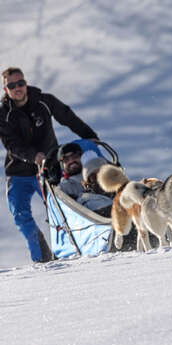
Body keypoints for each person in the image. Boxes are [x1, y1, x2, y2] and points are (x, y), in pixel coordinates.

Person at [0, 67, 99, 263]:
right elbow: (12, 144)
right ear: (5, 89)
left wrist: (89, 136)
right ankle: (42, 257)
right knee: (20, 215)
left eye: (21, 83)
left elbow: (68, 117)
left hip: (49, 169)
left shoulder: (44, 101)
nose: (18, 88)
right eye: (12, 85)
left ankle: (76, 247)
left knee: (63, 208)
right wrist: (32, 156)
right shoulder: (4, 114)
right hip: (19, 171)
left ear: (26, 83)